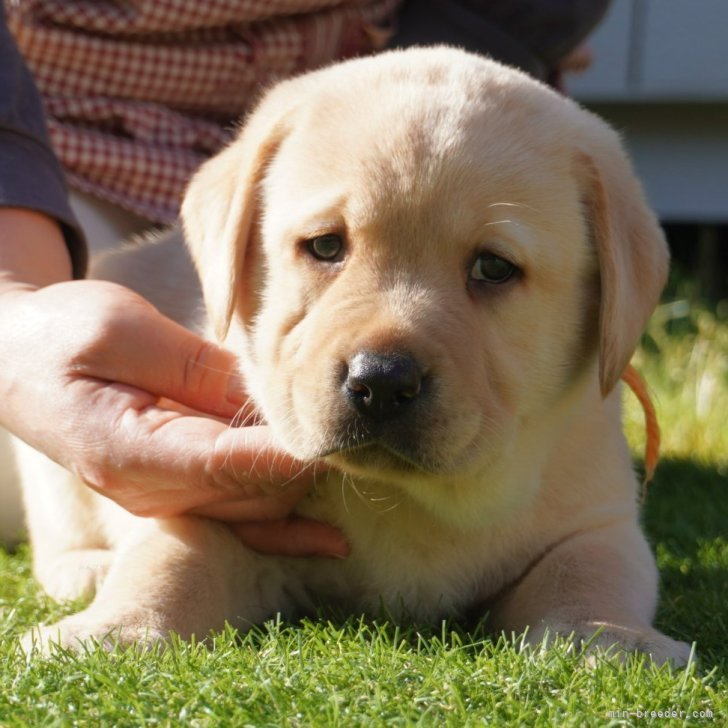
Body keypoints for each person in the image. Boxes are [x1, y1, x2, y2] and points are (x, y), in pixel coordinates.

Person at [0, 1, 608, 550]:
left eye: (492, 269)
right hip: (62, 155)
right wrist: (14, 302)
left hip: (356, 128)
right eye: (327, 246)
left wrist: (445, 105)